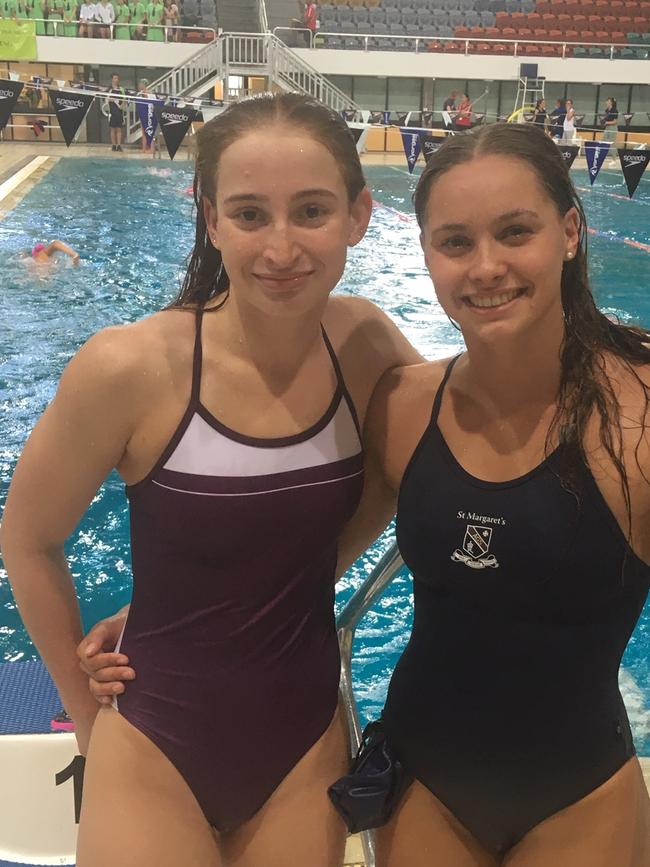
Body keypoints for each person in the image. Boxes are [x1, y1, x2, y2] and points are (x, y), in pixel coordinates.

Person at [80, 122, 650, 866]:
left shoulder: (637, 419)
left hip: (583, 793)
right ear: (426, 256)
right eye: (454, 242)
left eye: (516, 232)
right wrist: (183, 612)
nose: (487, 268)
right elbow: (318, 540)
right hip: (424, 789)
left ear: (570, 231)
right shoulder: (408, 405)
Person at [1, 93, 421, 867]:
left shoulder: (366, 346)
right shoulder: (131, 365)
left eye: (312, 211)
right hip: (154, 738)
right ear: (211, 217)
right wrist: (87, 718)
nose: (282, 246)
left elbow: (409, 475)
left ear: (359, 215)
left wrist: (282, 580)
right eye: (251, 213)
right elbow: (27, 538)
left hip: (301, 740)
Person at [107, 72, 125, 151]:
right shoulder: (109, 89)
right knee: (112, 129)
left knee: (119, 129)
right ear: (112, 79)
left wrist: (122, 105)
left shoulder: (121, 89)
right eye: (114, 78)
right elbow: (106, 99)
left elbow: (125, 99)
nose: (116, 80)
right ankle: (114, 145)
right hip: (112, 111)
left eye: (117, 78)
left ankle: (119, 145)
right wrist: (111, 99)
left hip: (119, 111)